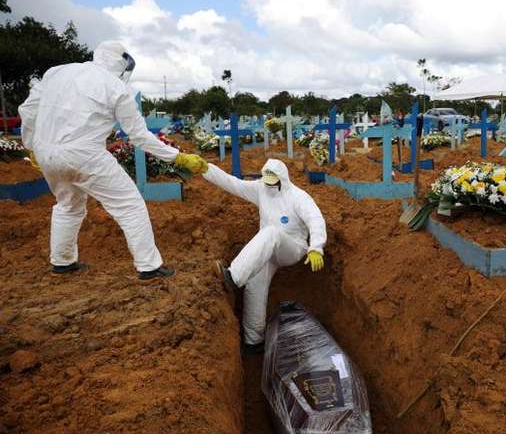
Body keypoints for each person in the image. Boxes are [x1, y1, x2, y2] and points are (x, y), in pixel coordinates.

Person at [18, 41, 208, 280]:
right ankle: (149, 266)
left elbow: (27, 110)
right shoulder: (116, 87)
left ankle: (62, 262)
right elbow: (139, 135)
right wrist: (177, 156)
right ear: (121, 62)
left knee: (68, 204)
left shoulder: (56, 72)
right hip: (86, 154)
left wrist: (32, 146)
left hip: (47, 153)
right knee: (130, 205)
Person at [207, 158, 326, 352]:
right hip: (267, 251)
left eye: (273, 182)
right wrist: (206, 169)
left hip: (292, 248)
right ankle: (254, 342)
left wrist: (316, 247)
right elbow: (233, 183)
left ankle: (233, 276)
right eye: (266, 181)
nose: (269, 186)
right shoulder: (261, 189)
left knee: (271, 232)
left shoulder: (298, 197)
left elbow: (316, 219)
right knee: (254, 286)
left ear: (283, 179)